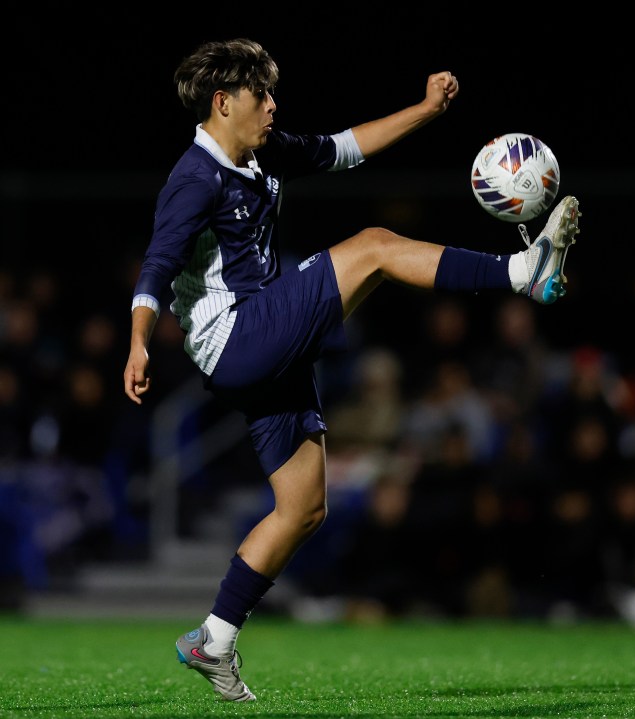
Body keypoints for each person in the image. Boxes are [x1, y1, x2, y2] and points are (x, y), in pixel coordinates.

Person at [123, 38, 581, 702]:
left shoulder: (259, 149)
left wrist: (426, 110)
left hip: (266, 344)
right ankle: (520, 270)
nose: (273, 106)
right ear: (223, 103)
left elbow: (343, 148)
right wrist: (138, 342)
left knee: (304, 507)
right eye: (261, 95)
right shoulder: (195, 178)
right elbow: (155, 268)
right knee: (372, 247)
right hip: (239, 339)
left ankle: (213, 637)